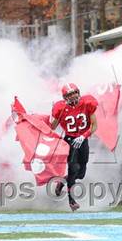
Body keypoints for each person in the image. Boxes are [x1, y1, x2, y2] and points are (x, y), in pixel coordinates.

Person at [51, 83, 98, 211]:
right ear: (65, 97)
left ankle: (62, 181)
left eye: (74, 93)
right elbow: (52, 127)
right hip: (70, 141)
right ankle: (71, 201)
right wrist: (49, 118)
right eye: (69, 95)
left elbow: (94, 125)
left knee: (81, 174)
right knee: (73, 169)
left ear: (78, 92)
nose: (72, 96)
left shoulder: (87, 103)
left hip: (83, 140)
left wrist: (83, 136)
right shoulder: (60, 108)